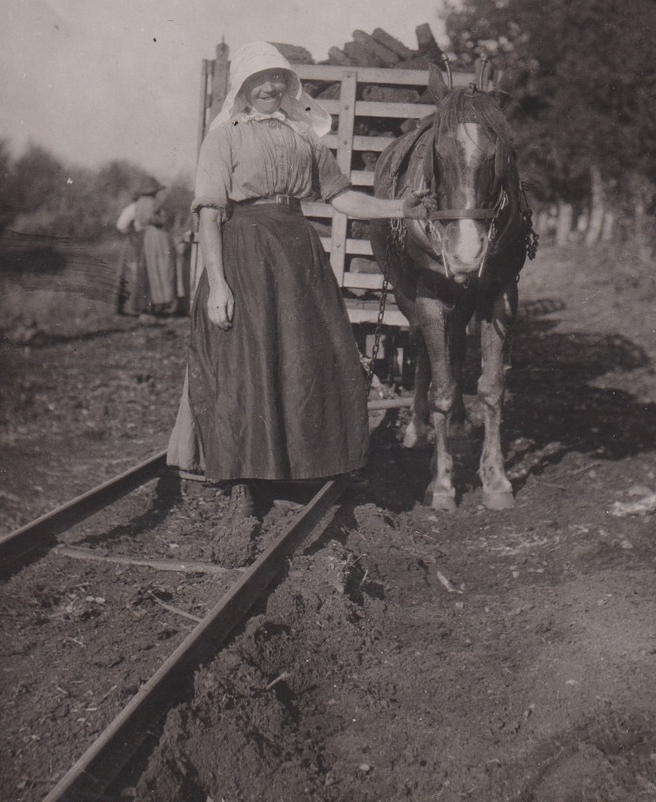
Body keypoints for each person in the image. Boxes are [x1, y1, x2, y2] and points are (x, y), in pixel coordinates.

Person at [166, 42, 432, 536]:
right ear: (242, 87)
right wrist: (218, 284)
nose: (269, 88)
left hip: (297, 254)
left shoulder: (305, 140)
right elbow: (209, 214)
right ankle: (243, 483)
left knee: (310, 358)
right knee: (244, 363)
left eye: (278, 80)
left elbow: (343, 197)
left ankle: (306, 467)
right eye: (259, 80)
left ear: (290, 86)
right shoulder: (224, 137)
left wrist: (402, 209)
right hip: (244, 251)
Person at [116, 176, 177, 317]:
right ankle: (148, 305)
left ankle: (147, 306)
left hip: (143, 239)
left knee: (145, 271)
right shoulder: (147, 205)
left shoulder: (139, 205)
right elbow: (122, 225)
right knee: (147, 270)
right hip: (143, 240)